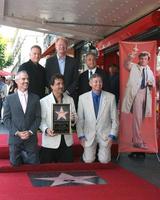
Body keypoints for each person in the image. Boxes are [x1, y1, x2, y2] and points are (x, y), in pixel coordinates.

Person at [77, 73, 119, 163]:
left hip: (105, 134)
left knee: (104, 160)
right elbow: (80, 119)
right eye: (95, 82)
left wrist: (112, 136)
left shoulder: (111, 97)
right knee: (88, 160)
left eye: (100, 82)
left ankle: (102, 155)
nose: (98, 84)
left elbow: (115, 119)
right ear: (90, 83)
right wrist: (81, 136)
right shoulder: (82, 98)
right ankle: (88, 154)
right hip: (89, 135)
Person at [3, 71, 41, 166]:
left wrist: (30, 132)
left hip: (31, 140)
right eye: (23, 79)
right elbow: (6, 119)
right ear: (16, 81)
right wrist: (17, 132)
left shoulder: (35, 98)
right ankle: (23, 156)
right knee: (15, 165)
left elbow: (38, 118)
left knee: (34, 165)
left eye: (27, 79)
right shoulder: (9, 99)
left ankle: (26, 157)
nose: (26, 81)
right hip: (15, 140)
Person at [39, 74, 77, 163]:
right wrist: (46, 129)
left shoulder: (70, 99)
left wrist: (72, 119)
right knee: (46, 167)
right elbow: (41, 120)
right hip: (50, 141)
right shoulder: (43, 101)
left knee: (67, 167)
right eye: (58, 84)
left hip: (66, 141)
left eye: (62, 83)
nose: (61, 86)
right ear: (51, 86)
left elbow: (75, 116)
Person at [122, 51, 155, 150]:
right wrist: (129, 57)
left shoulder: (149, 70)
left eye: (145, 59)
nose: (143, 60)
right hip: (136, 94)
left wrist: (151, 84)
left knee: (141, 118)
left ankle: (136, 137)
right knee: (137, 118)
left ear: (148, 60)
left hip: (146, 94)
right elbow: (126, 64)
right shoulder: (133, 66)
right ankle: (137, 141)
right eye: (141, 59)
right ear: (139, 59)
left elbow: (152, 83)